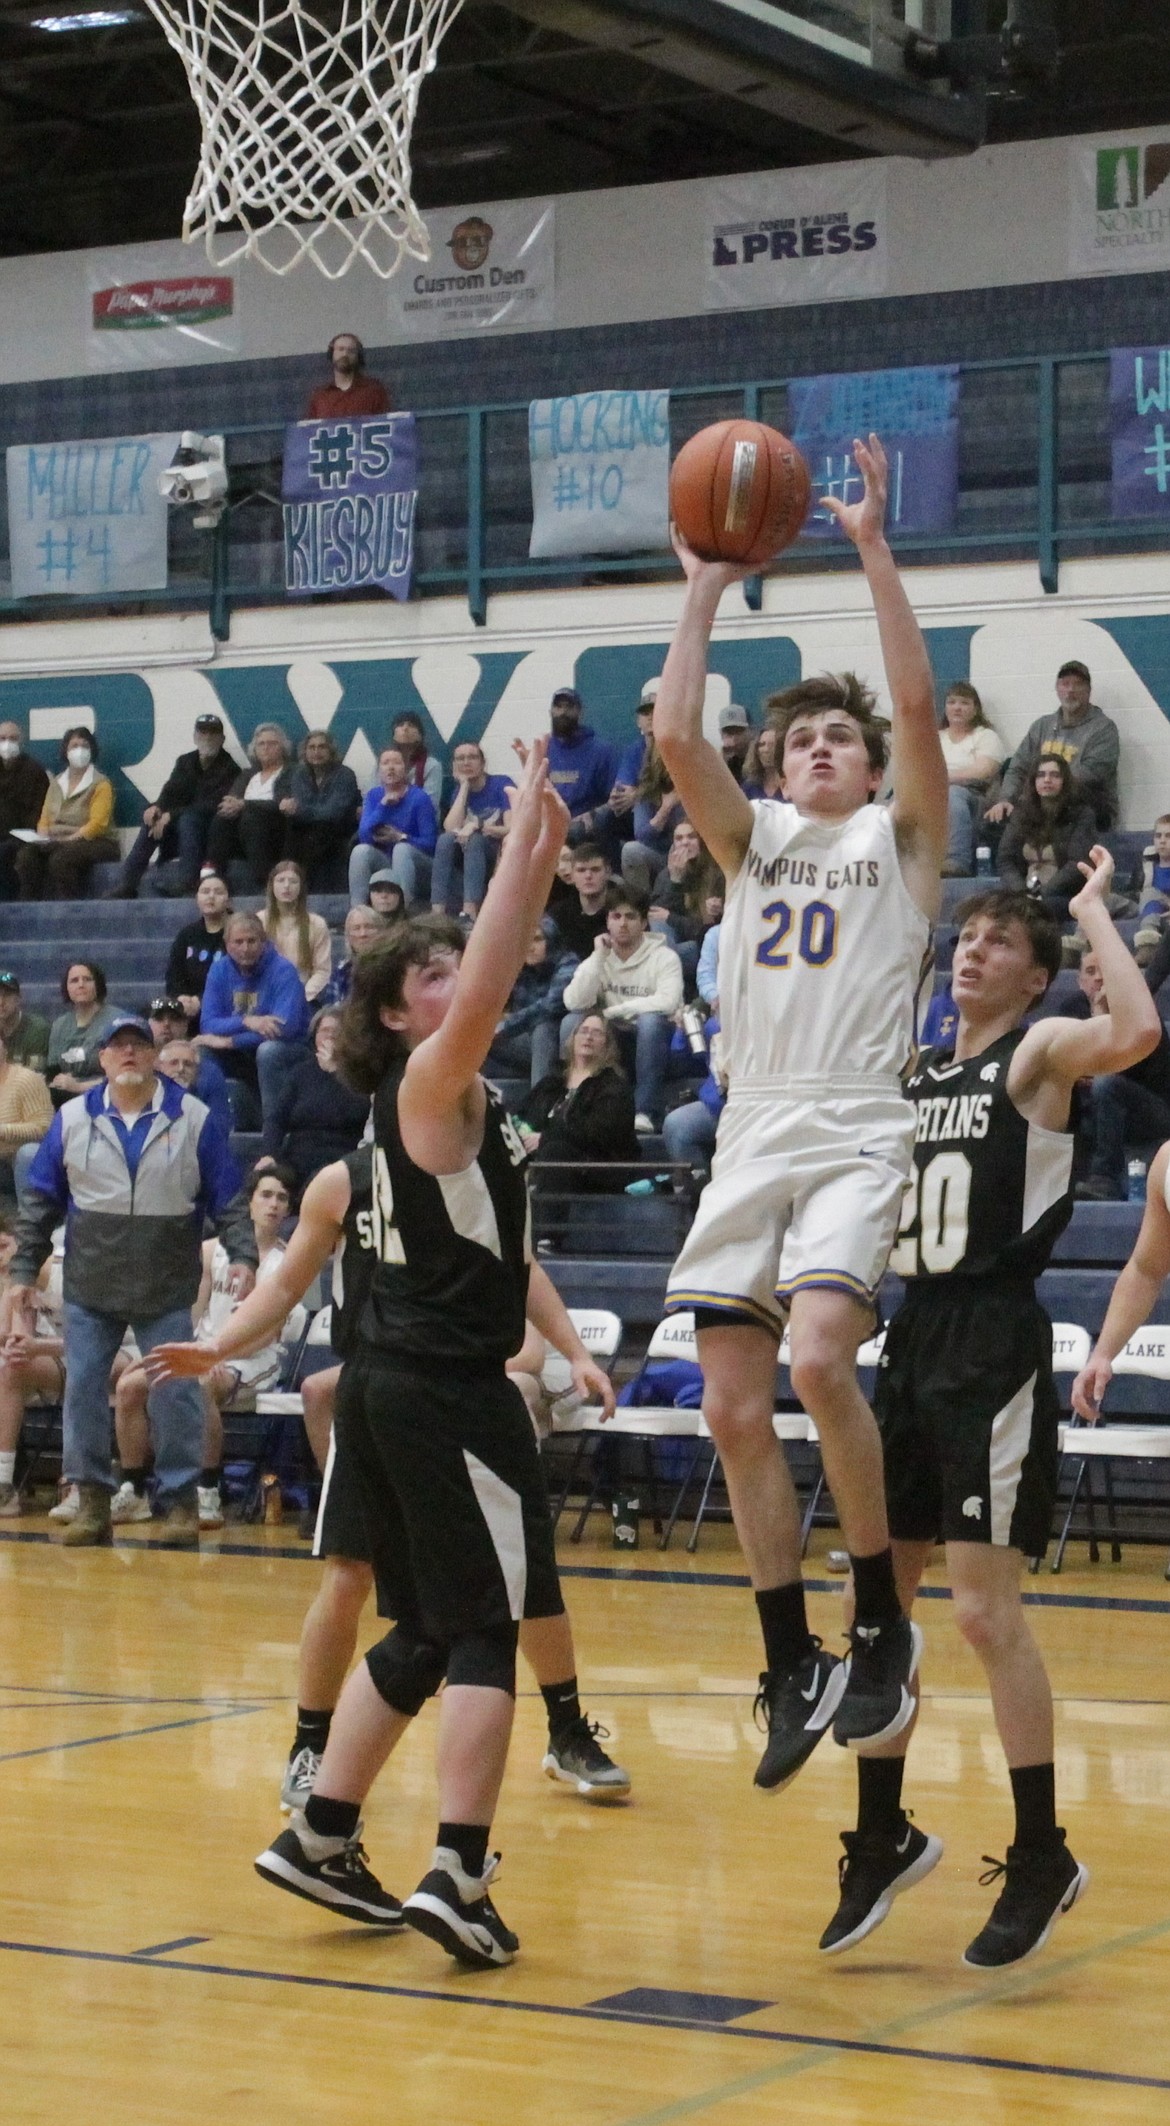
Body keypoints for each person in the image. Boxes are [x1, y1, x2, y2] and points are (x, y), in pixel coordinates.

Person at [195, 743, 600, 1965]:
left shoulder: (424, 1103)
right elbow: (488, 979)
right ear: (394, 1012)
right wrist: (526, 847)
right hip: (445, 1390)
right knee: (487, 1630)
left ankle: (322, 1827)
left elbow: (497, 961)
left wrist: (535, 837)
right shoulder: (430, 1080)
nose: (455, 979)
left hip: (391, 1385)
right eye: (426, 973)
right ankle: (460, 1872)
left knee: (421, 1628)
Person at [653, 432, 949, 1788]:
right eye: (799, 739)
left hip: (852, 1120)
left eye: (840, 737)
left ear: (865, 764)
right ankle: (789, 1653)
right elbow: (671, 730)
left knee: (821, 1361)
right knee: (729, 1408)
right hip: (753, 1123)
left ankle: (877, 1610)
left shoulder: (900, 843)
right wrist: (706, 580)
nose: (820, 748)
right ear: (773, 769)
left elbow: (911, 705)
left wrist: (875, 552)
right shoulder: (752, 841)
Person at [820, 867, 1156, 1966]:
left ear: (1038, 971)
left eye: (1000, 940)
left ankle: (1043, 1846)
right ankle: (879, 1834)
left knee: (982, 1611)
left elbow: (1139, 1028)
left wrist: (1098, 903)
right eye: (967, 936)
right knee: (887, 1615)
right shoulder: (916, 1070)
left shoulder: (1043, 1050)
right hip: (910, 1336)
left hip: (993, 1340)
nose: (974, 952)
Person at [150, 1141, 628, 1815]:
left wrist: (574, 1352)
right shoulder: (343, 1181)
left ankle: (567, 1727)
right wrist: (220, 1345)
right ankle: (310, 1745)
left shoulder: (480, 1171)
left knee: (526, 1575)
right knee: (349, 1572)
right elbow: (284, 1286)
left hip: (465, 1396)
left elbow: (521, 1270)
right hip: (382, 1391)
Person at [1, 1014, 252, 1546]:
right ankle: (91, 1501)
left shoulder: (195, 1118)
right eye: (119, 1047)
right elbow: (40, 1203)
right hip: (92, 1282)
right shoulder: (70, 1118)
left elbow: (229, 1198)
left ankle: (181, 1502)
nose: (130, 1054)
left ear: (155, 1054)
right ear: (103, 1059)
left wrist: (244, 1254)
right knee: (84, 1389)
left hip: (165, 1280)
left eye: (139, 1044)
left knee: (176, 1389)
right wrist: (24, 1269)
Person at [116, 1162, 301, 1529]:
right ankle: (133, 1489)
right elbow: (191, 1315)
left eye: (282, 1198)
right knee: (128, 1387)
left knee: (200, 1386)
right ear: (248, 1203)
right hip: (204, 1351)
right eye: (266, 1195)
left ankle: (208, 1491)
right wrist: (183, 1353)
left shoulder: (288, 1263)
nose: (274, 1204)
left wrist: (218, 1354)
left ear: (290, 1209)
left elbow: (268, 1333)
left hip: (253, 1360)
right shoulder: (209, 1252)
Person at [561, 885, 683, 1131]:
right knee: (571, 1022)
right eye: (616, 916)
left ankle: (644, 1111)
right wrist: (597, 958)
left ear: (644, 922)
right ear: (608, 921)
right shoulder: (600, 957)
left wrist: (611, 1012)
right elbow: (573, 1001)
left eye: (631, 916)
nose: (623, 924)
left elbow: (667, 1001)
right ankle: (572, 1098)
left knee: (650, 1021)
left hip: (654, 1042)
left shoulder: (665, 957)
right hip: (614, 1038)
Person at [1071, 950, 1170, 1200]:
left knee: (1106, 1085)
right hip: (1095, 1109)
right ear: (1080, 981)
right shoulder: (1071, 1009)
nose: (1099, 978)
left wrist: (1103, 1015)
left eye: (1105, 971)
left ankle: (1104, 1179)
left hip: (1153, 1109)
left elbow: (1114, 1068)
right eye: (1090, 972)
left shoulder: (1144, 1014)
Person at [198, 912, 310, 1131]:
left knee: (268, 1051)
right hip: (246, 1050)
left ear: (264, 942)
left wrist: (232, 1042)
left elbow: (284, 1027)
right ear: (227, 944)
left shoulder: (283, 970)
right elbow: (208, 1023)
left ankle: (274, 1129)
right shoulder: (219, 970)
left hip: (290, 1051)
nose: (245, 948)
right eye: (238, 942)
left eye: (252, 941)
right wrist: (247, 1021)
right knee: (204, 1051)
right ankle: (214, 1128)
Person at [108, 712, 239, 899]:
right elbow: (170, 792)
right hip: (179, 832)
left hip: (207, 835)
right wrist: (158, 808)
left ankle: (188, 882)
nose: (208, 738)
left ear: (222, 739)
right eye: (203, 733)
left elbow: (211, 805)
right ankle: (128, 884)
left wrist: (171, 815)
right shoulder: (185, 762)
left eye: (213, 733)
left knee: (189, 819)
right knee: (150, 819)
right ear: (195, 737)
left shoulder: (230, 768)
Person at [988, 661, 1120, 831]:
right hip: (1040, 802)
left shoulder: (1103, 728)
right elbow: (1018, 767)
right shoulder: (1041, 726)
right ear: (1057, 689)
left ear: (1088, 691)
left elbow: (1090, 776)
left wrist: (1040, 792)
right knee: (993, 820)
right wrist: (1005, 800)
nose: (1070, 690)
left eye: (1078, 684)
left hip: (1088, 807)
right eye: (1065, 684)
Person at [260, 1007, 370, 1192]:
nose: (330, 1036)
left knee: (317, 1183)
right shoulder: (300, 1073)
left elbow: (356, 1113)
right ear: (315, 1036)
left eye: (337, 1031)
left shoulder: (357, 1074)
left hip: (340, 1158)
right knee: (261, 1184)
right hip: (297, 1157)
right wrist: (269, 1154)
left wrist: (336, 1073)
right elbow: (276, 1118)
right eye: (325, 1030)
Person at [518, 1013, 639, 1182]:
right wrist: (523, 1133)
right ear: (573, 1038)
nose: (588, 1037)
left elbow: (598, 1133)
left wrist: (545, 1138)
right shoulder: (553, 1081)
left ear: (607, 1044)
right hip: (545, 1156)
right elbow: (522, 1114)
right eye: (583, 1031)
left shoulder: (614, 1086)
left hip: (597, 1165)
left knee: (555, 1152)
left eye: (597, 1033)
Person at [15, 728, 119, 901]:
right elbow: (45, 818)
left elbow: (97, 824)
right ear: (66, 751)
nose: (80, 750)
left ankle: (70, 909)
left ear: (92, 750)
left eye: (85, 745)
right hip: (58, 841)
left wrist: (67, 840)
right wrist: (42, 838)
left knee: (61, 859)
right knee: (26, 856)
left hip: (97, 841)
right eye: (74, 745)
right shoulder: (56, 783)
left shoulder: (101, 784)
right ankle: (30, 907)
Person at [997, 754, 1097, 922]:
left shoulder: (1081, 814)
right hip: (1025, 894)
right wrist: (1023, 893)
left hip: (1065, 895)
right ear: (1034, 781)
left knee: (1038, 911)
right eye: (1041, 775)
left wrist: (1040, 894)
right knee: (994, 906)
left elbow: (1077, 864)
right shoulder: (1021, 814)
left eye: (1055, 775)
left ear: (1065, 781)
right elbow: (1005, 860)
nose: (1047, 780)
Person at [486, 921, 576, 1087]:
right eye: (525, 941)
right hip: (528, 1040)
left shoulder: (568, 964)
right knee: (478, 1034)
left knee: (543, 1028)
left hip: (562, 1044)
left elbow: (549, 1007)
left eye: (537, 939)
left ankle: (539, 1102)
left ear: (551, 940)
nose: (530, 947)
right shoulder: (521, 967)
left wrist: (507, 1024)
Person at [204, 724, 294, 890]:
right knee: (222, 817)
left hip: (275, 831)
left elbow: (283, 805)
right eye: (261, 744)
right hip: (243, 833)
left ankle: (265, 880)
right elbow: (232, 800)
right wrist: (231, 805)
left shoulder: (291, 772)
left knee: (251, 816)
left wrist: (246, 805)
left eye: (272, 743)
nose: (266, 748)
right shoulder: (248, 774)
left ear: (282, 748)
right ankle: (215, 877)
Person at [430, 742, 514, 920]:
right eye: (460, 759)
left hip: (495, 855)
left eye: (472, 757)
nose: (466, 762)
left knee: (474, 839)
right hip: (466, 861)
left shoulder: (501, 784)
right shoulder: (458, 792)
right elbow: (450, 828)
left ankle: (470, 912)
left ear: (483, 763)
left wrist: (480, 826)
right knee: (445, 839)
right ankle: (437, 912)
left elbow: (512, 828)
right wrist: (464, 787)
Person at [348, 745, 437, 907]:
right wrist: (382, 806)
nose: (390, 768)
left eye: (396, 763)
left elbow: (431, 844)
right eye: (385, 763)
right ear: (379, 770)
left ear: (406, 768)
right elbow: (364, 836)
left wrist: (401, 837)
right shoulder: (374, 795)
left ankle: (402, 912)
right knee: (360, 851)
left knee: (401, 848)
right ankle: (358, 912)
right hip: (387, 864)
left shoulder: (419, 798)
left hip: (419, 867)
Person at [936, 682, 1007, 875]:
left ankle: (957, 862)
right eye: (952, 702)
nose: (957, 707)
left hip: (975, 797)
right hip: (932, 794)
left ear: (976, 709)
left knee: (953, 795)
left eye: (964, 703)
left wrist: (941, 779)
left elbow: (983, 771)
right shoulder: (935, 738)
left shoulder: (985, 736)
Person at [278, 731, 361, 888]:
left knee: (319, 831)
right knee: (290, 829)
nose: (316, 752)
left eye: (322, 747)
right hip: (308, 829)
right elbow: (300, 805)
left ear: (331, 751)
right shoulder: (299, 774)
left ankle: (303, 887)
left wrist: (301, 811)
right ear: (305, 751)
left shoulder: (345, 774)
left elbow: (333, 812)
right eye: (312, 747)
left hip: (337, 829)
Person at [546, 689, 614, 841]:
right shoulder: (543, 748)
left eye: (569, 707)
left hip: (585, 827)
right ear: (550, 712)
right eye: (558, 706)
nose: (563, 712)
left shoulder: (601, 750)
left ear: (580, 712)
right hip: (550, 824)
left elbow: (614, 800)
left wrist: (593, 814)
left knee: (574, 831)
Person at [262, 860, 333, 1002]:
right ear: (272, 886)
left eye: (293, 881)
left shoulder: (317, 924)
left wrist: (300, 997)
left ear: (301, 887)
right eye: (281, 880)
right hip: (266, 996)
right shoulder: (259, 921)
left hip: (303, 995)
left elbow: (322, 970)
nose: (287, 886)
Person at [46, 962, 117, 1103]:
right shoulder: (60, 1025)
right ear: (66, 988)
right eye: (74, 980)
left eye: (87, 979)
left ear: (98, 985)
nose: (81, 984)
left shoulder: (116, 1021)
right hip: (66, 1099)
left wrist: (79, 1086)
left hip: (107, 1097)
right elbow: (53, 1072)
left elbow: (121, 1076)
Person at [165, 872, 232, 1017]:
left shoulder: (237, 933)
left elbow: (236, 978)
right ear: (197, 898)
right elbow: (174, 974)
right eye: (205, 892)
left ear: (229, 900)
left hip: (226, 1005)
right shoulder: (187, 934)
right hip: (187, 1006)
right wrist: (181, 997)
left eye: (218, 892)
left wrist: (202, 1000)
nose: (211, 896)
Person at [0, 1029, 52, 1200]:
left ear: (5, 1048)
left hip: (16, 1161)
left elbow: (44, 1128)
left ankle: (29, 1222)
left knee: (29, 1152)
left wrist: (3, 1130)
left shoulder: (27, 1079)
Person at [0, 721, 49, 901]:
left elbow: (40, 811)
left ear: (22, 742)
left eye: (12, 738)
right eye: (2, 738)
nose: (7, 743)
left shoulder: (34, 771)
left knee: (6, 853)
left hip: (22, 836)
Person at [155, 1034, 233, 1136]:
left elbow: (219, 1130)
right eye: (174, 1063)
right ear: (161, 1068)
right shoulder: (151, 1096)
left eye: (188, 1064)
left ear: (196, 1070)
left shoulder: (204, 1100)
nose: (181, 1069)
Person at [304, 333, 391, 419]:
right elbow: (310, 430)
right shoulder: (320, 396)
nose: (345, 354)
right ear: (332, 354)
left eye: (351, 351)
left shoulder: (374, 390)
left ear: (358, 357)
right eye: (341, 349)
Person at [550, 841, 612, 960]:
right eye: (581, 870)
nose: (588, 876)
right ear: (572, 875)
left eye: (595, 869)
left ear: (608, 872)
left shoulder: (624, 909)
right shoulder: (558, 915)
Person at [323, 904, 388, 1009]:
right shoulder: (341, 970)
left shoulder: (393, 966)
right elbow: (332, 1010)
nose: (363, 934)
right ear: (348, 935)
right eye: (356, 928)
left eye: (369, 927)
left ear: (381, 931)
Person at [392, 713, 443, 812]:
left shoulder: (432, 765)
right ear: (394, 735)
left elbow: (430, 805)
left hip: (420, 822)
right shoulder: (384, 764)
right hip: (386, 821)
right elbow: (371, 800)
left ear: (420, 736)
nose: (405, 728)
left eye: (411, 725)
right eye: (401, 724)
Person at [0, 972, 49, 1075]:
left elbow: (34, 1079)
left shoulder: (37, 1029)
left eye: (7, 995)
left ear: (18, 999)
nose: (1, 1002)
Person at [740, 724, 783, 802]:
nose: (766, 750)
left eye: (772, 745)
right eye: (762, 744)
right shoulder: (749, 787)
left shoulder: (792, 785)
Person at [717, 702, 753, 784]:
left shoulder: (760, 758)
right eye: (729, 733)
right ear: (721, 734)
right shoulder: (718, 760)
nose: (733, 738)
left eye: (738, 732)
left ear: (749, 731)